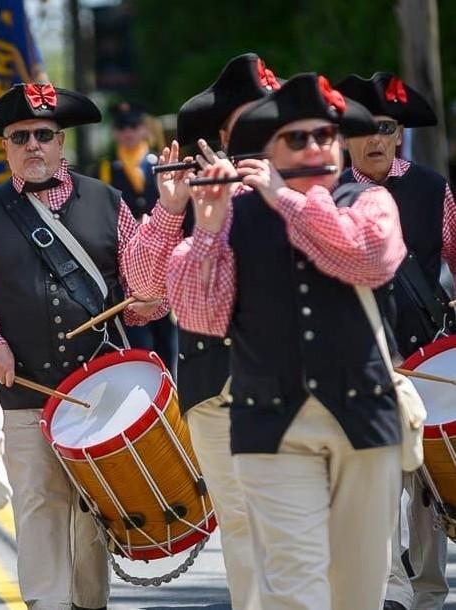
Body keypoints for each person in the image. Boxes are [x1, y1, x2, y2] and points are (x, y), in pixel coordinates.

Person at [168, 73, 405, 609]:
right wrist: (206, 230)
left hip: (364, 418)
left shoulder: (370, 202)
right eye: (296, 139)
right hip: (271, 424)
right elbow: (199, 316)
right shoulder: (236, 215)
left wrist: (288, 200)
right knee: (293, 588)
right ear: (270, 147)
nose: (315, 147)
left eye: (324, 135)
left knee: (358, 590)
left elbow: (368, 258)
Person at [0, 81, 165, 610]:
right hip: (22, 387)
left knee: (91, 506)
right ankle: (46, 604)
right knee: (38, 505)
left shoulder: (109, 201)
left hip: (97, 385)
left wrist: (148, 298)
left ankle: (88, 602)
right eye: (20, 135)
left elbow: (145, 290)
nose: (33, 145)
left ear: (61, 144)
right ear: (4, 146)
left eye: (44, 135)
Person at [124, 52, 281, 610]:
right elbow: (144, 292)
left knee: (297, 526)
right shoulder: (187, 191)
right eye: (256, 117)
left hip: (290, 387)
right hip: (216, 390)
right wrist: (171, 209)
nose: (272, 126)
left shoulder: (299, 184)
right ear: (223, 131)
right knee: (241, 526)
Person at [337, 71, 456, 610]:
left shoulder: (434, 189)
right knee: (378, 480)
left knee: (428, 493)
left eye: (385, 127)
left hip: (427, 358)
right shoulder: (327, 193)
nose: (376, 139)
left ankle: (429, 591)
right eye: (362, 128)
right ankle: (390, 591)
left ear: (399, 131)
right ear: (344, 135)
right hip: (361, 362)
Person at [99, 101, 177, 372]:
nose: (128, 133)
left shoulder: (157, 163)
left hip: (161, 253)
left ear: (144, 129)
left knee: (167, 333)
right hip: (129, 256)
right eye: (122, 127)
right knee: (138, 337)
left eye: (133, 126)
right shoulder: (108, 169)